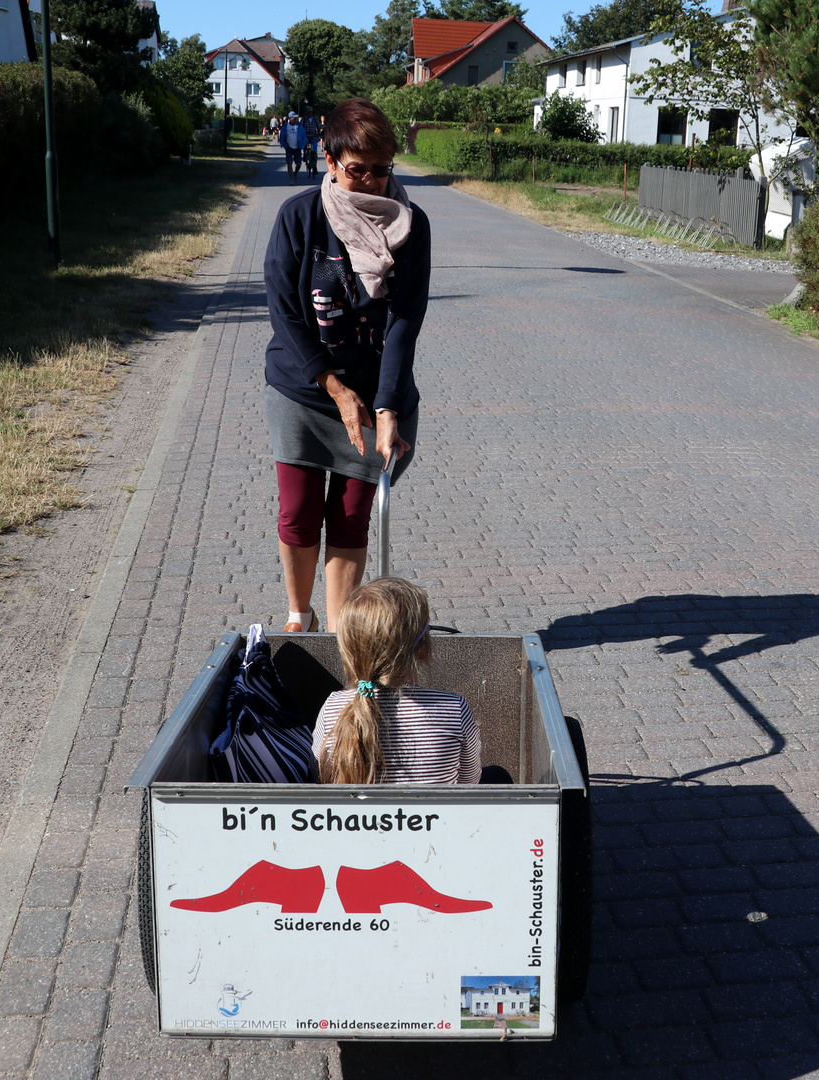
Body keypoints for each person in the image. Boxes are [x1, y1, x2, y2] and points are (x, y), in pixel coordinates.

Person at [262, 97, 429, 634]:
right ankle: (299, 618)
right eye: (359, 170)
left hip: (377, 392)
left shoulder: (412, 225)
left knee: (353, 515)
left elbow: (405, 319)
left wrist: (386, 404)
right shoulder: (300, 216)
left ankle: (338, 639)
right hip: (305, 390)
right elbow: (283, 310)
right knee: (298, 511)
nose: (374, 182)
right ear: (329, 160)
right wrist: (332, 386)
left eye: (383, 170)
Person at [313, 578, 486, 784]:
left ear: (350, 652)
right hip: (436, 816)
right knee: (498, 775)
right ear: (422, 650)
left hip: (356, 817)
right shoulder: (454, 710)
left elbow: (320, 775)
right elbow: (470, 783)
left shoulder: (333, 707)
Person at [279, 112, 306, 184]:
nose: (296, 119)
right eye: (294, 117)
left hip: (297, 147)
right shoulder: (286, 126)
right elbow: (281, 138)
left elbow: (304, 136)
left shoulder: (299, 126)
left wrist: (302, 146)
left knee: (298, 164)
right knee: (289, 163)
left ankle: (295, 173)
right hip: (289, 148)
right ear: (290, 118)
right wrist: (285, 146)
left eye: (296, 117)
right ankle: (292, 179)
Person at [302, 108, 321, 178]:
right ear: (306, 113)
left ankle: (314, 166)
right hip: (306, 136)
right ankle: (305, 154)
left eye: (311, 112)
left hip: (313, 137)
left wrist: (319, 133)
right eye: (308, 112)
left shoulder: (315, 119)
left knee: (314, 152)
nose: (309, 114)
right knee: (307, 146)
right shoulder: (304, 119)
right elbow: (301, 127)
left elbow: (319, 126)